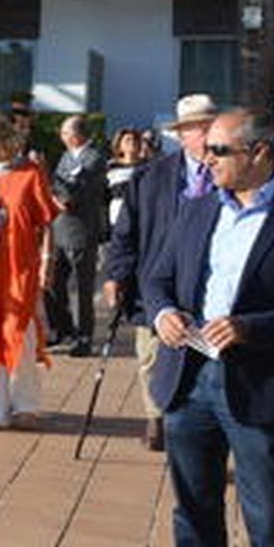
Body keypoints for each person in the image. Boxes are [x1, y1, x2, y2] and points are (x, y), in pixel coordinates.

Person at [145, 108, 274, 547]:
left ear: (261, 154)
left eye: (220, 151)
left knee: (271, 510)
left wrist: (252, 328)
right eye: (208, 149)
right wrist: (164, 316)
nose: (208, 159)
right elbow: (156, 278)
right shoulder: (199, 211)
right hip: (191, 377)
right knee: (194, 503)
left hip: (260, 383)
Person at [104, 93, 219, 452]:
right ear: (181, 135)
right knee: (151, 355)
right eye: (196, 129)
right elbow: (125, 232)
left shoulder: (230, 172)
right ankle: (157, 417)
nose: (205, 135)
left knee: (204, 360)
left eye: (208, 126)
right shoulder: (151, 177)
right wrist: (115, 275)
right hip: (156, 284)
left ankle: (194, 425)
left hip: (210, 285)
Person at [0, 112, 60, 429]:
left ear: (7, 143)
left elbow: (46, 224)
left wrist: (47, 263)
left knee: (21, 333)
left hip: (20, 266)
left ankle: (26, 405)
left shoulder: (30, 174)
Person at [45, 115, 108, 357]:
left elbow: (74, 192)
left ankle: (84, 337)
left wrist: (55, 190)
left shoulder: (94, 158)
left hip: (81, 231)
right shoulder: (65, 157)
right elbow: (58, 186)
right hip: (59, 229)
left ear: (75, 135)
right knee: (52, 283)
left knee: (83, 288)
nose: (61, 137)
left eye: (64, 133)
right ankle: (62, 328)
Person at [105, 126, 147, 231]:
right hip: (117, 215)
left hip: (141, 215)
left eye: (135, 139)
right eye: (128, 140)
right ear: (119, 145)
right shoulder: (110, 167)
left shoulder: (147, 166)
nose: (132, 142)